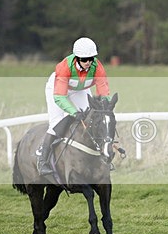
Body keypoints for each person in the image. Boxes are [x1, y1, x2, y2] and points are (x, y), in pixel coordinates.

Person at [36, 37, 112, 175]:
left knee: (92, 119)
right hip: (57, 90)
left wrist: (105, 106)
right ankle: (42, 160)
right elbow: (59, 97)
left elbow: (103, 91)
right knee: (57, 123)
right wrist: (74, 112)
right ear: (77, 58)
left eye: (91, 59)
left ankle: (101, 155)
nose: (88, 62)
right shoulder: (64, 67)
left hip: (80, 89)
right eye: (84, 59)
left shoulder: (97, 67)